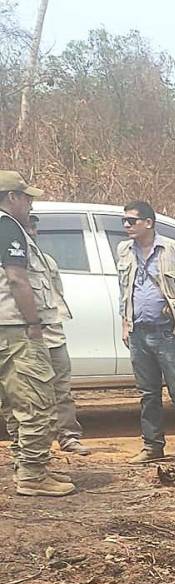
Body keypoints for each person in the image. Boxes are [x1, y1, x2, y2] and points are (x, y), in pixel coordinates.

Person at [117, 201, 175, 464]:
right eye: (124, 221)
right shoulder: (124, 251)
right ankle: (152, 446)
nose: (127, 226)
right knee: (148, 394)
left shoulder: (174, 250)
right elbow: (124, 290)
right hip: (139, 333)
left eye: (131, 221)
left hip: (169, 333)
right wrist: (125, 322)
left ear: (148, 222)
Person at [0, 171, 72, 497]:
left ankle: (24, 465)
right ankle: (32, 473)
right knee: (37, 400)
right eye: (26, 197)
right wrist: (33, 325)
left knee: (15, 402)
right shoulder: (8, 226)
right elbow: (17, 279)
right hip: (16, 327)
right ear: (11, 197)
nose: (30, 203)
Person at [2, 214, 89, 458]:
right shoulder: (8, 263)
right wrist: (31, 326)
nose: (32, 231)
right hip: (25, 336)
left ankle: (68, 436)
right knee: (22, 396)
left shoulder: (45, 261)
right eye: (28, 226)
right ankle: (25, 449)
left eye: (34, 226)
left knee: (61, 390)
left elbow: (56, 298)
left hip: (51, 334)